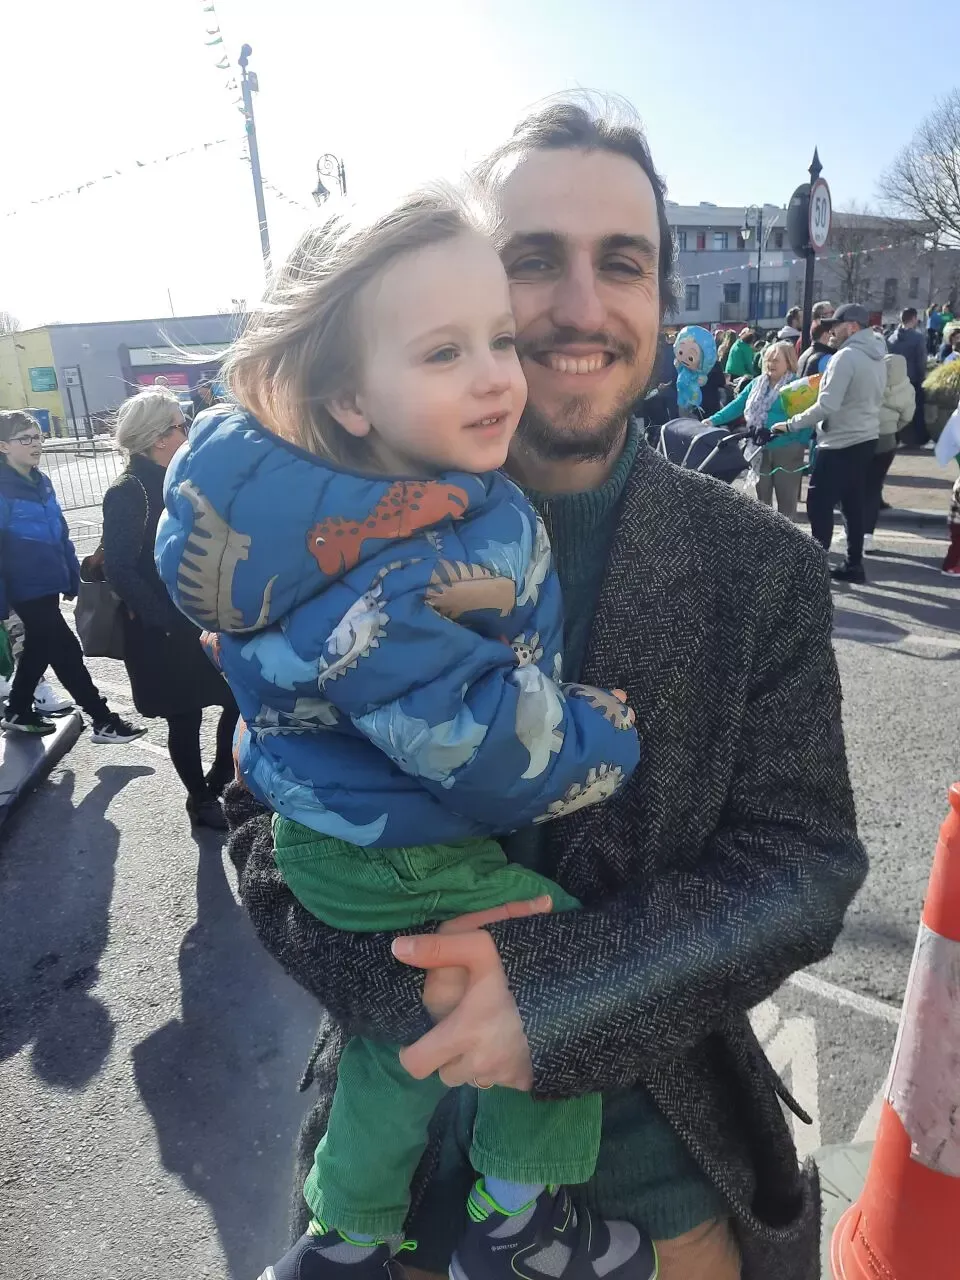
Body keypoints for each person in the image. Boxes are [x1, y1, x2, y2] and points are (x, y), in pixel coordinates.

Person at [223, 100, 867, 1280]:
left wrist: (558, 998)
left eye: (621, 262)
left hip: (660, 1193)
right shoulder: (328, 526)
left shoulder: (758, 567)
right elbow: (261, 811)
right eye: (532, 259)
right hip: (391, 1193)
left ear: (660, 296)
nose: (579, 305)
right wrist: (419, 993)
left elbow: (804, 859)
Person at [158, 191, 652, 1280]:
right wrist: (606, 734)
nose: (495, 375)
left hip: (339, 830)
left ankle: (346, 1230)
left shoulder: (342, 516)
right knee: (551, 965)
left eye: (499, 340)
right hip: (394, 847)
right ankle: (518, 1213)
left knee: (401, 1046)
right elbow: (481, 746)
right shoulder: (392, 561)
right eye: (443, 352)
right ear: (348, 398)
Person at [102, 388, 239, 829]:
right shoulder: (129, 491)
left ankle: (220, 778)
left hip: (198, 617)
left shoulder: (182, 478)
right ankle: (200, 799)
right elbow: (119, 567)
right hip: (163, 628)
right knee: (185, 716)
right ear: (159, 437)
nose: (188, 430)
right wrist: (163, 619)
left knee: (235, 699)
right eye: (182, 425)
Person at [0, 410, 145, 740]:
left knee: (41, 648)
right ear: (3, 446)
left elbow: (60, 533)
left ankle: (18, 708)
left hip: (47, 584)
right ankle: (103, 719)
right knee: (65, 650)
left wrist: (69, 575)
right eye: (25, 439)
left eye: (38, 437)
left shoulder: (41, 482)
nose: (35, 444)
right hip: (24, 587)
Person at [784, 302, 887, 582]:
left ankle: (816, 569)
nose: (831, 332)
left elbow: (827, 405)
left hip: (839, 441)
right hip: (866, 438)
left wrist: (791, 423)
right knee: (852, 503)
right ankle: (854, 564)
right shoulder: (877, 354)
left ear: (851, 327)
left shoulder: (846, 357)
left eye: (835, 326)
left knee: (818, 503)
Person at [704, 340, 809, 519]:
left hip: (787, 449)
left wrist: (799, 442)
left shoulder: (796, 386)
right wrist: (713, 420)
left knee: (786, 501)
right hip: (759, 447)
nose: (770, 364)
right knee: (762, 502)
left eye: (776, 360)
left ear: (789, 362)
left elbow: (807, 417)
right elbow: (737, 405)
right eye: (768, 359)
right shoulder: (756, 384)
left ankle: (787, 535)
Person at [863, 354, 915, 552]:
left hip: (864, 436)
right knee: (874, 488)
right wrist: (893, 428)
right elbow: (907, 416)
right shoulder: (907, 388)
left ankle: (853, 531)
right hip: (887, 441)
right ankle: (868, 535)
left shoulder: (871, 382)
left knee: (856, 486)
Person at [886, 307, 927, 445]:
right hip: (912, 379)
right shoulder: (918, 338)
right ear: (914, 319)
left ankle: (896, 438)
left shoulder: (891, 338)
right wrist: (922, 378)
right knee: (916, 410)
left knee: (895, 410)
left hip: (894, 380)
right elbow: (921, 360)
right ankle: (918, 439)